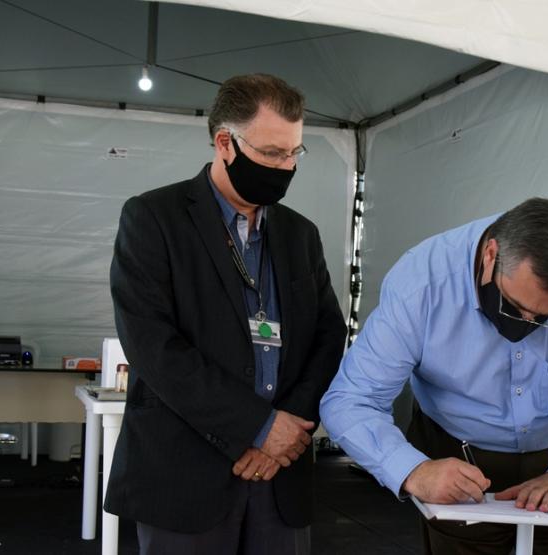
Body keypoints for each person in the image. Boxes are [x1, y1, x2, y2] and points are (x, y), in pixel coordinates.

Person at [320, 198, 548, 555]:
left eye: (547, 318)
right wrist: (414, 470)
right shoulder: (424, 281)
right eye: (515, 306)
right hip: (456, 457)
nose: (527, 325)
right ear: (491, 255)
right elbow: (351, 400)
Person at [106, 74, 347, 555]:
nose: (285, 166)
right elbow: (154, 347)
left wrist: (292, 424)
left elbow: (328, 331)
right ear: (225, 143)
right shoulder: (154, 218)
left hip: (281, 478)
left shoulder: (301, 234)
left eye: (294, 153)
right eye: (272, 153)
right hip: (187, 475)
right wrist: (258, 427)